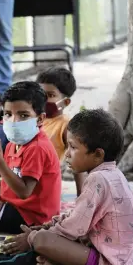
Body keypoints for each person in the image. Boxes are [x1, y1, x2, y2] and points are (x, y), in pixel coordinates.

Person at [1, 109, 133, 265]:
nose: (67, 153)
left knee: (42, 241)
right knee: (47, 234)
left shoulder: (97, 179)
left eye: (73, 147)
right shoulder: (113, 173)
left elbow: (74, 227)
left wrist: (31, 239)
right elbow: (80, 216)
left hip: (110, 264)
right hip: (126, 258)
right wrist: (48, 226)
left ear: (97, 154)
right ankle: (67, 264)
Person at [0, 81, 61, 234]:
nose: (13, 121)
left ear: (40, 119)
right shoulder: (12, 144)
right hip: (17, 208)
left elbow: (24, 192)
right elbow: (10, 183)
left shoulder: (37, 147)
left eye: (23, 115)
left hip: (34, 219)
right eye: (8, 114)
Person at [37, 67, 86, 195]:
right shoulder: (33, 118)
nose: (44, 99)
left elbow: (77, 161)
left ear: (65, 102)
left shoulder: (65, 126)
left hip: (41, 184)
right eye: (41, 94)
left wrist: (81, 195)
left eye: (50, 95)